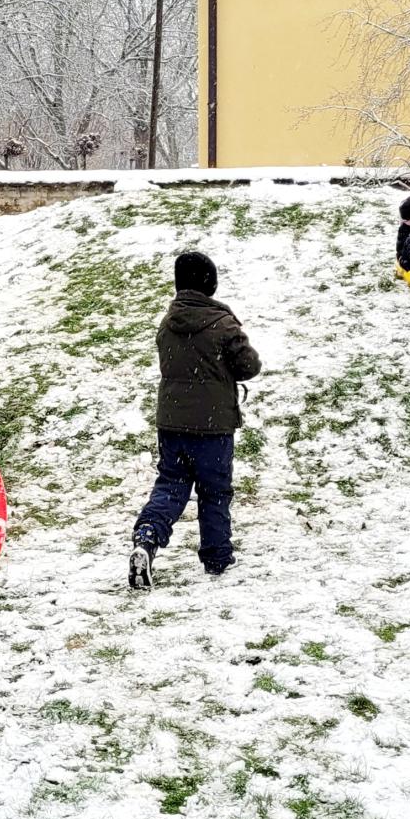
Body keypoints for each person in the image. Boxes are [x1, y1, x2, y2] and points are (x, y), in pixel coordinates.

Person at [129, 252, 261, 589]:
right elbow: (249, 366)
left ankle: (147, 537)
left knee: (171, 485)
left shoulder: (168, 323)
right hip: (212, 425)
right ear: (210, 283)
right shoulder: (223, 324)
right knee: (214, 492)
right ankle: (217, 556)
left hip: (172, 421)